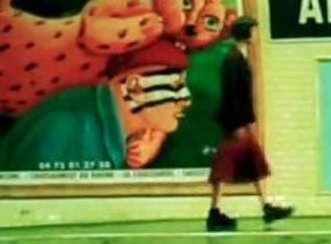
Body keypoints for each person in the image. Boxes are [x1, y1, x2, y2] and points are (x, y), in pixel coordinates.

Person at [0, 39, 191, 171]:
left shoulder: (131, 134)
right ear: (135, 87)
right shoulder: (64, 128)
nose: (186, 99)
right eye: (175, 86)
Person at [206, 15, 293, 231]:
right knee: (226, 167)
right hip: (236, 124)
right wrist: (239, 124)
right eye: (254, 30)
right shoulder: (233, 60)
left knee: (251, 163)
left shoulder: (238, 57)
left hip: (239, 123)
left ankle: (263, 207)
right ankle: (218, 212)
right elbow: (232, 94)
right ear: (247, 33)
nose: (257, 34)